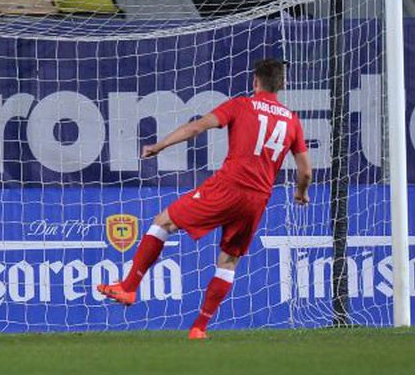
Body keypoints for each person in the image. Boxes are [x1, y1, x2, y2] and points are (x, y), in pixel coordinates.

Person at [97, 59, 313, 339]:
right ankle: (199, 327)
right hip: (258, 199)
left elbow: (197, 127)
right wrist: (300, 192)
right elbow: (305, 171)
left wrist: (160, 145)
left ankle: (128, 286)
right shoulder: (291, 121)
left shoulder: (240, 105)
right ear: (281, 85)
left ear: (254, 82)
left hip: (229, 186)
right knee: (229, 261)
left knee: (163, 222)